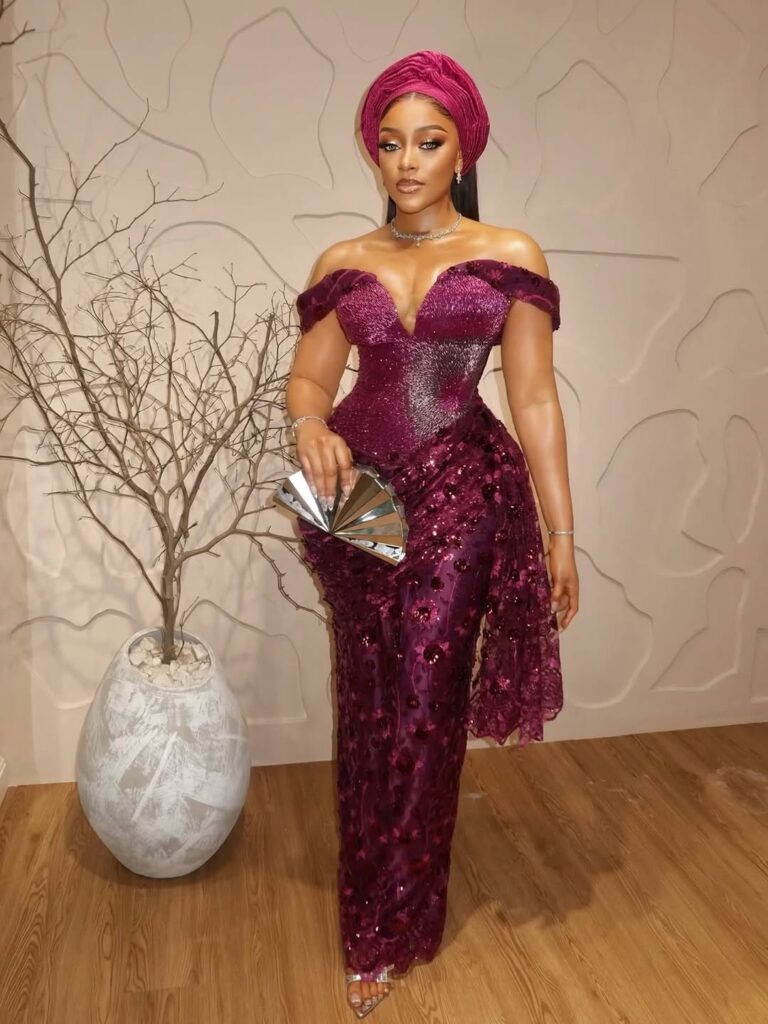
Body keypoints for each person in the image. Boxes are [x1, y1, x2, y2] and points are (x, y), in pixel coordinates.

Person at [284, 49, 579, 1018]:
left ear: (464, 149)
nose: (406, 162)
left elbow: (534, 399)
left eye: (428, 141)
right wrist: (308, 426)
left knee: (423, 705)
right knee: (365, 699)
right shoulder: (343, 263)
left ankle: (386, 923)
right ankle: (376, 883)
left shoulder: (510, 253)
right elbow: (309, 381)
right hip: (354, 499)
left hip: (462, 494)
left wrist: (560, 530)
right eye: (390, 143)